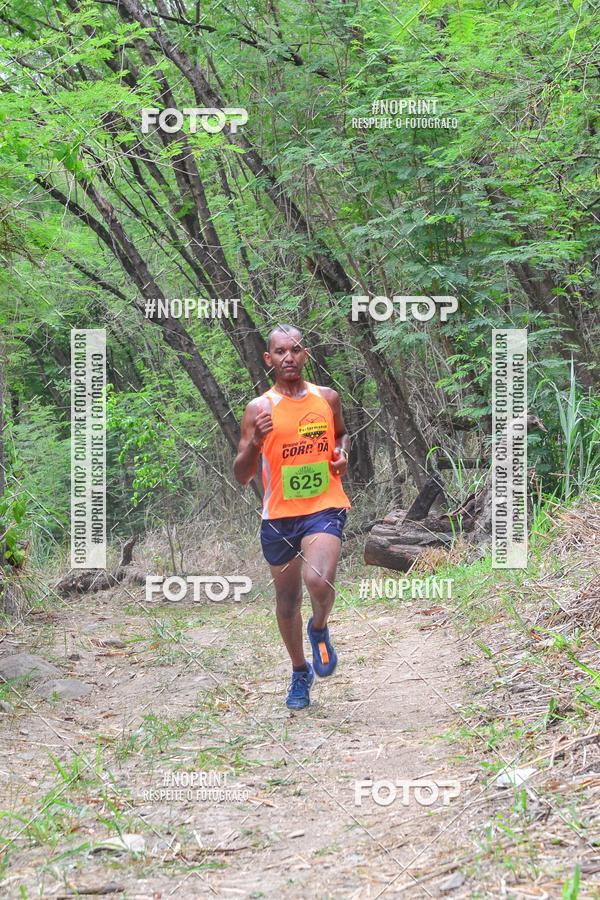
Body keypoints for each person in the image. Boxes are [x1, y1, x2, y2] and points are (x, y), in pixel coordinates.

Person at [234, 325, 351, 709]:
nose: (289, 357)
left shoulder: (327, 397)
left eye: (296, 350)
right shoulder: (259, 409)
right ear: (268, 360)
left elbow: (341, 435)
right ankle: (300, 671)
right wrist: (254, 441)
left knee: (318, 580)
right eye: (280, 352)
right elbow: (242, 474)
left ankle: (318, 628)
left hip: (324, 505)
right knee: (287, 599)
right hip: (279, 516)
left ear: (306, 355)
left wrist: (340, 454)